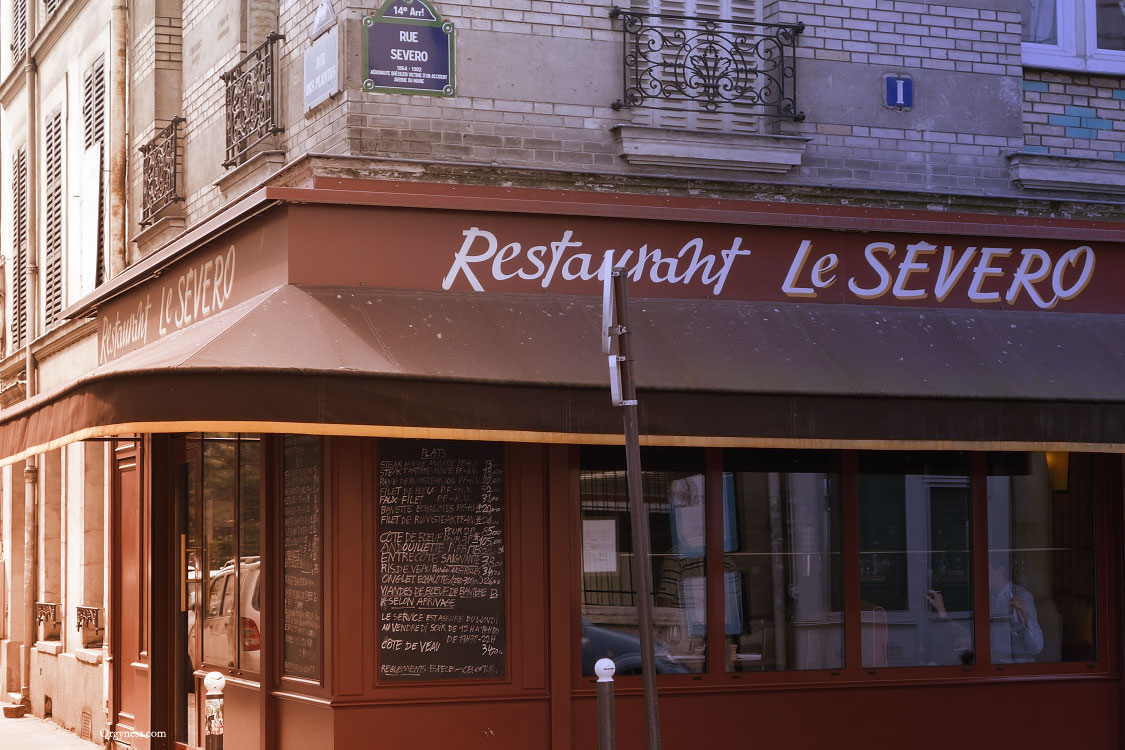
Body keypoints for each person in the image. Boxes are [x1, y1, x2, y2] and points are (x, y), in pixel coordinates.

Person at [924, 555, 1044, 664]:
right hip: (993, 669)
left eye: (985, 572)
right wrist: (942, 611)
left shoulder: (1022, 596)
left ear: (1000, 571)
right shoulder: (987, 599)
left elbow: (1036, 648)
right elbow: (972, 635)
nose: (979, 577)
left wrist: (1025, 616)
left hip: (1017, 673)